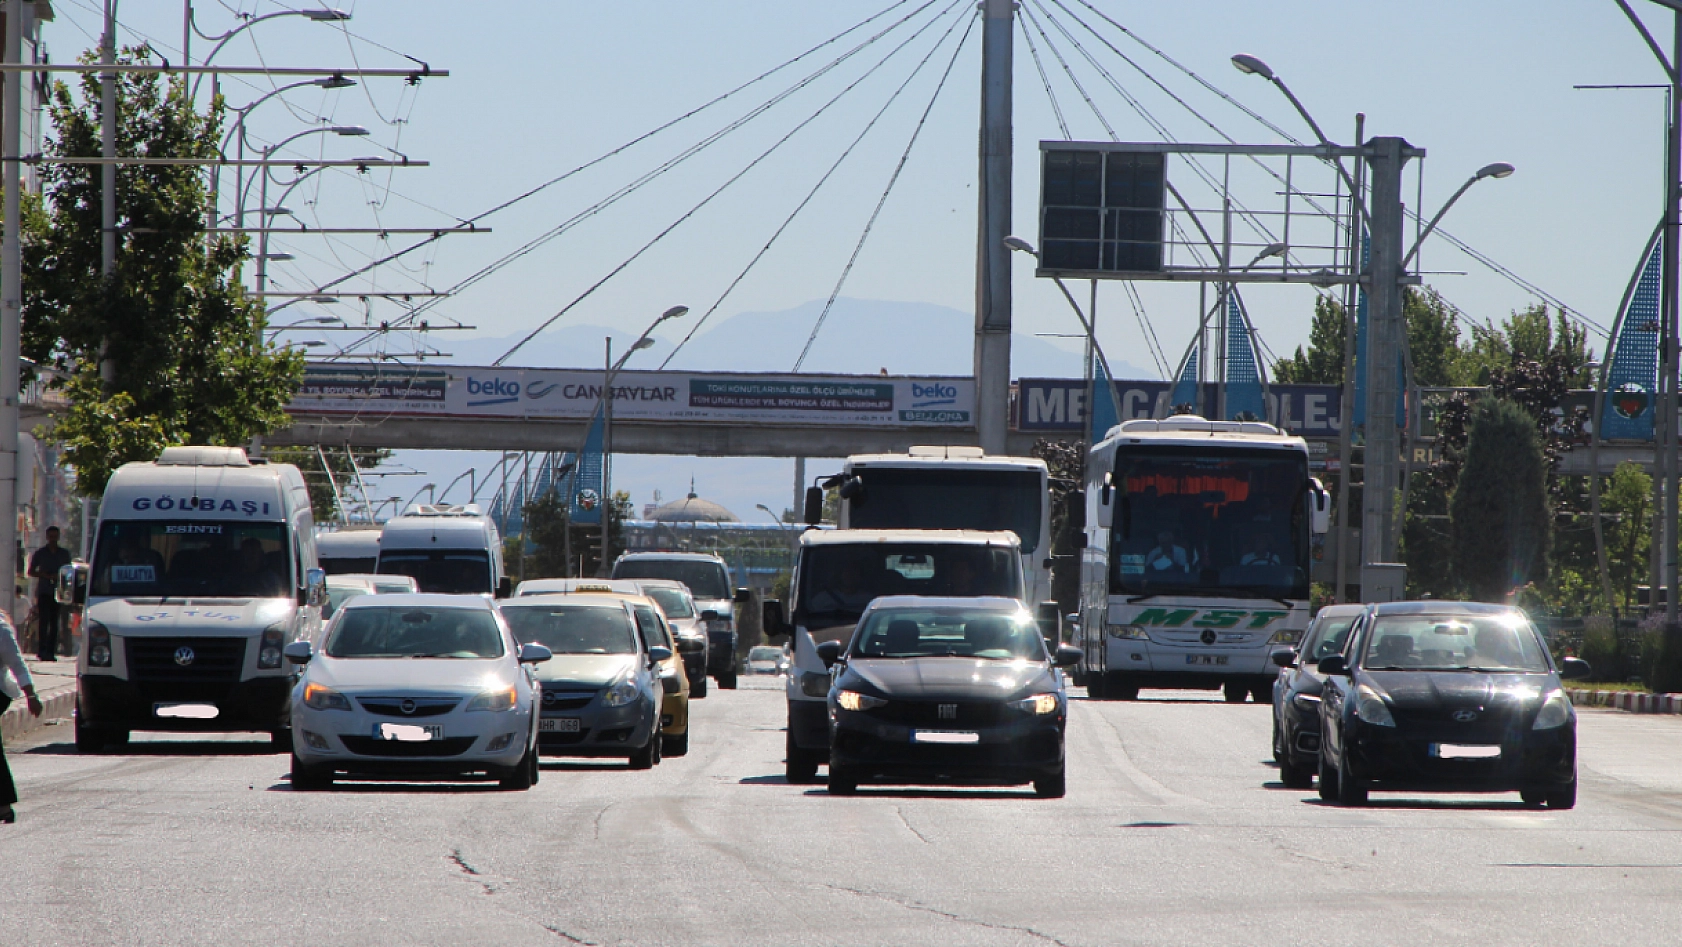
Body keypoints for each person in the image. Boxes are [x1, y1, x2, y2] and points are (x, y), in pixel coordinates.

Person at [0, 609, 43, 824]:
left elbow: (17, 664)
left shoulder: (1, 629)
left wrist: (31, 696)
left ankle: (3, 804)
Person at [27, 527, 72, 662]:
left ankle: (51, 651)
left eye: (55, 536)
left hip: (58, 593)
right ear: (47, 537)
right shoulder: (40, 553)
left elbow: (68, 571)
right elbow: (31, 571)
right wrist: (44, 575)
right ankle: (42, 650)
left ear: (58, 537)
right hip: (44, 591)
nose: (53, 539)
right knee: (43, 622)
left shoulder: (64, 554)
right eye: (51, 537)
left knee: (54, 623)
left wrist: (58, 577)